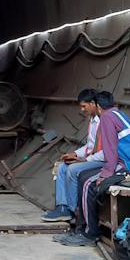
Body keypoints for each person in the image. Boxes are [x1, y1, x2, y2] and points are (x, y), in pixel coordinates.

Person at [57, 90, 130, 246]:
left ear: (98, 106)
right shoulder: (117, 113)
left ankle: (90, 233)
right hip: (128, 163)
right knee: (84, 177)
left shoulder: (106, 118)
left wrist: (105, 174)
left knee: (88, 184)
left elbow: (111, 151)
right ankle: (82, 228)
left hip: (128, 167)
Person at [41, 90, 103, 221]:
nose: (82, 109)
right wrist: (74, 153)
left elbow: (104, 152)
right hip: (92, 157)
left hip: (101, 160)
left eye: (84, 106)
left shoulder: (103, 121)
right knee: (62, 167)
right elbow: (90, 146)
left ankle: (74, 209)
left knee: (72, 169)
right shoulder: (92, 120)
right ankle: (63, 207)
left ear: (93, 104)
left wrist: (84, 160)